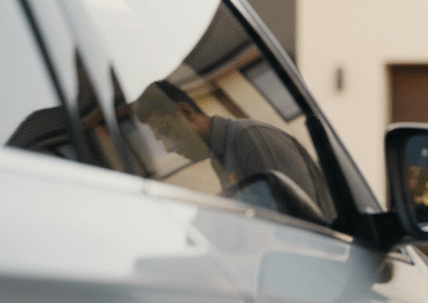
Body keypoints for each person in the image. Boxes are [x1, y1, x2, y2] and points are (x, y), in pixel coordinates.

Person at [134, 80, 335, 220]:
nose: (168, 148)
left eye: (167, 132)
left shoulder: (250, 139)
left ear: (186, 112)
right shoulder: (219, 159)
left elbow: (299, 224)